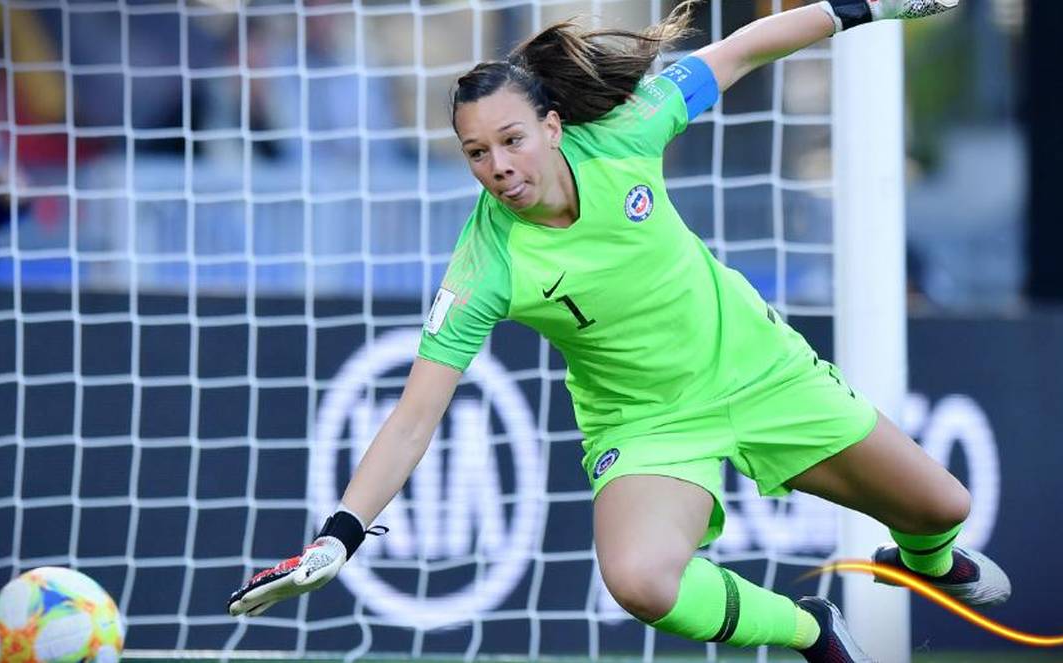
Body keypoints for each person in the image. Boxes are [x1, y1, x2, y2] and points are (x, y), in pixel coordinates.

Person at [228, 1, 1012, 660]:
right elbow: (413, 416)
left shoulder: (628, 132)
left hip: (757, 367)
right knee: (639, 581)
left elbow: (739, 49)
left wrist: (864, 7)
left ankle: (926, 562)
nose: (497, 166)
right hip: (645, 425)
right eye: (475, 153)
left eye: (511, 139)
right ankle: (810, 630)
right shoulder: (484, 263)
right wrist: (339, 536)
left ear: (555, 125)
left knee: (941, 505)